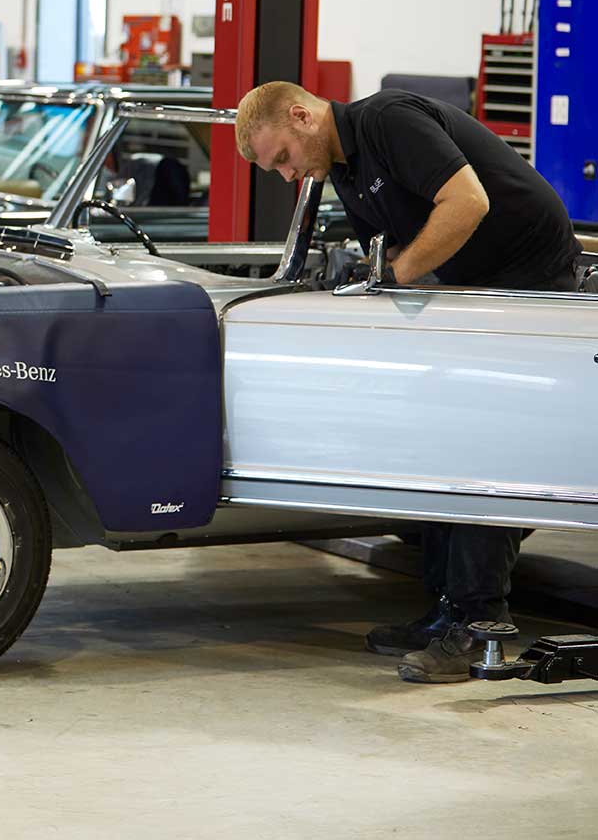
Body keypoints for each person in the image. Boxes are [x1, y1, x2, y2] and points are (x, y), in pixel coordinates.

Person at [235, 80, 580, 684]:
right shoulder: (343, 169)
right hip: (479, 289)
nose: (289, 176)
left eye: (284, 159)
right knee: (439, 438)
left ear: (301, 115)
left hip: (533, 284)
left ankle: (476, 625)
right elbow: (404, 248)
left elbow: (468, 202)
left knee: (482, 443)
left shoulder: (387, 120)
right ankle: (446, 608)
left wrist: (394, 274)